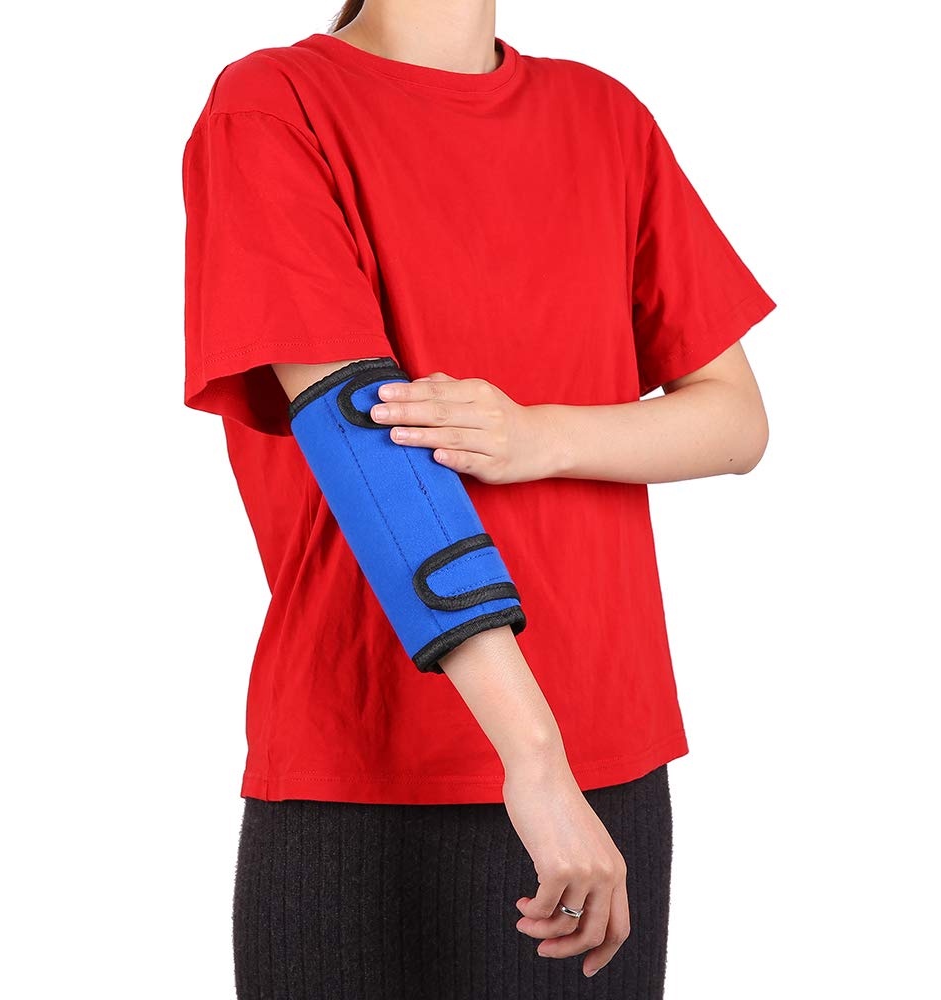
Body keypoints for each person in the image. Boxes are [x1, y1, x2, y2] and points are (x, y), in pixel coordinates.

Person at [181, 1, 776, 997]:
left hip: (603, 761)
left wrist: (538, 435)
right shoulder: (275, 103)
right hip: (370, 770)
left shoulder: (607, 118)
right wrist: (534, 756)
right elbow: (368, 446)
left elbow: (735, 419)